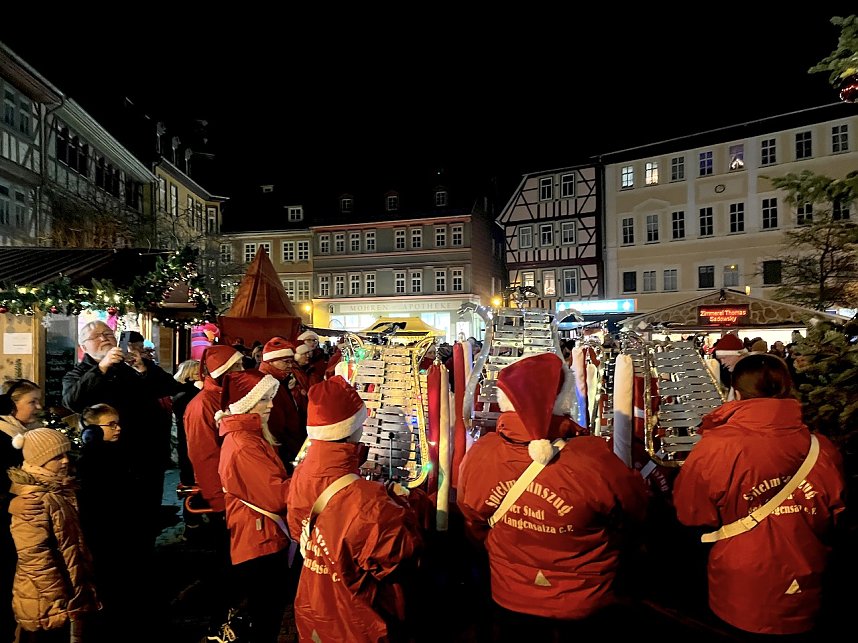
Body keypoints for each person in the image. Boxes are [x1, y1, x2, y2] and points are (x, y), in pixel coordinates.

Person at [457, 352, 648, 641]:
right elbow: (633, 513)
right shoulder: (594, 458)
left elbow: (472, 519)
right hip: (583, 600)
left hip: (510, 596)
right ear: (562, 397)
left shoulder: (481, 455)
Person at [673, 353, 846, 639]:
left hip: (739, 586)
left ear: (736, 392)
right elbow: (834, 511)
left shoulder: (717, 448)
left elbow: (691, 512)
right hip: (807, 576)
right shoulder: (821, 447)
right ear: (788, 388)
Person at [287, 375, 425, 643]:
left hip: (315, 604)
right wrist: (404, 505)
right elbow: (397, 560)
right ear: (354, 427)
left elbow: (298, 529)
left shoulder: (302, 472)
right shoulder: (367, 500)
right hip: (359, 619)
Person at [62, 320, 181, 547]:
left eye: (108, 333)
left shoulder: (129, 370)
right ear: (83, 347)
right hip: (108, 464)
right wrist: (101, 368)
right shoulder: (77, 374)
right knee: (114, 525)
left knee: (145, 520)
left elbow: (169, 387)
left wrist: (143, 368)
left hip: (144, 458)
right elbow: (72, 401)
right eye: (97, 336)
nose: (105, 338)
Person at [217, 370, 295, 643]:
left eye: (271, 397)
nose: (271, 404)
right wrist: (306, 480)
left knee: (266, 612)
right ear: (246, 404)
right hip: (259, 539)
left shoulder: (248, 436)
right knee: (264, 615)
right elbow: (275, 497)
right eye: (263, 399)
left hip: (261, 535)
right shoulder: (244, 444)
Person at [8, 428, 98, 643]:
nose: (66, 461)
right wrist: (58, 598)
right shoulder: (34, 500)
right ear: (39, 461)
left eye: (66, 454)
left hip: (65, 592)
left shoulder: (59, 488)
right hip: (46, 600)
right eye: (57, 457)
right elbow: (33, 556)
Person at [74, 403, 134, 641]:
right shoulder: (96, 458)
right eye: (111, 424)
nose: (118, 428)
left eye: (118, 423)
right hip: (105, 533)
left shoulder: (116, 452)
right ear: (92, 430)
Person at [0, 379, 44, 643]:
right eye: (32, 402)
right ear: (12, 406)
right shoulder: (4, 437)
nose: (38, 407)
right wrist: (8, 503)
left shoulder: (31, 432)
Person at [259, 337, 307, 470]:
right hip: (283, 449)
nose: (290, 366)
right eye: (286, 362)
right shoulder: (268, 384)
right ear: (271, 361)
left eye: (291, 362)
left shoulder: (280, 380)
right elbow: (275, 425)